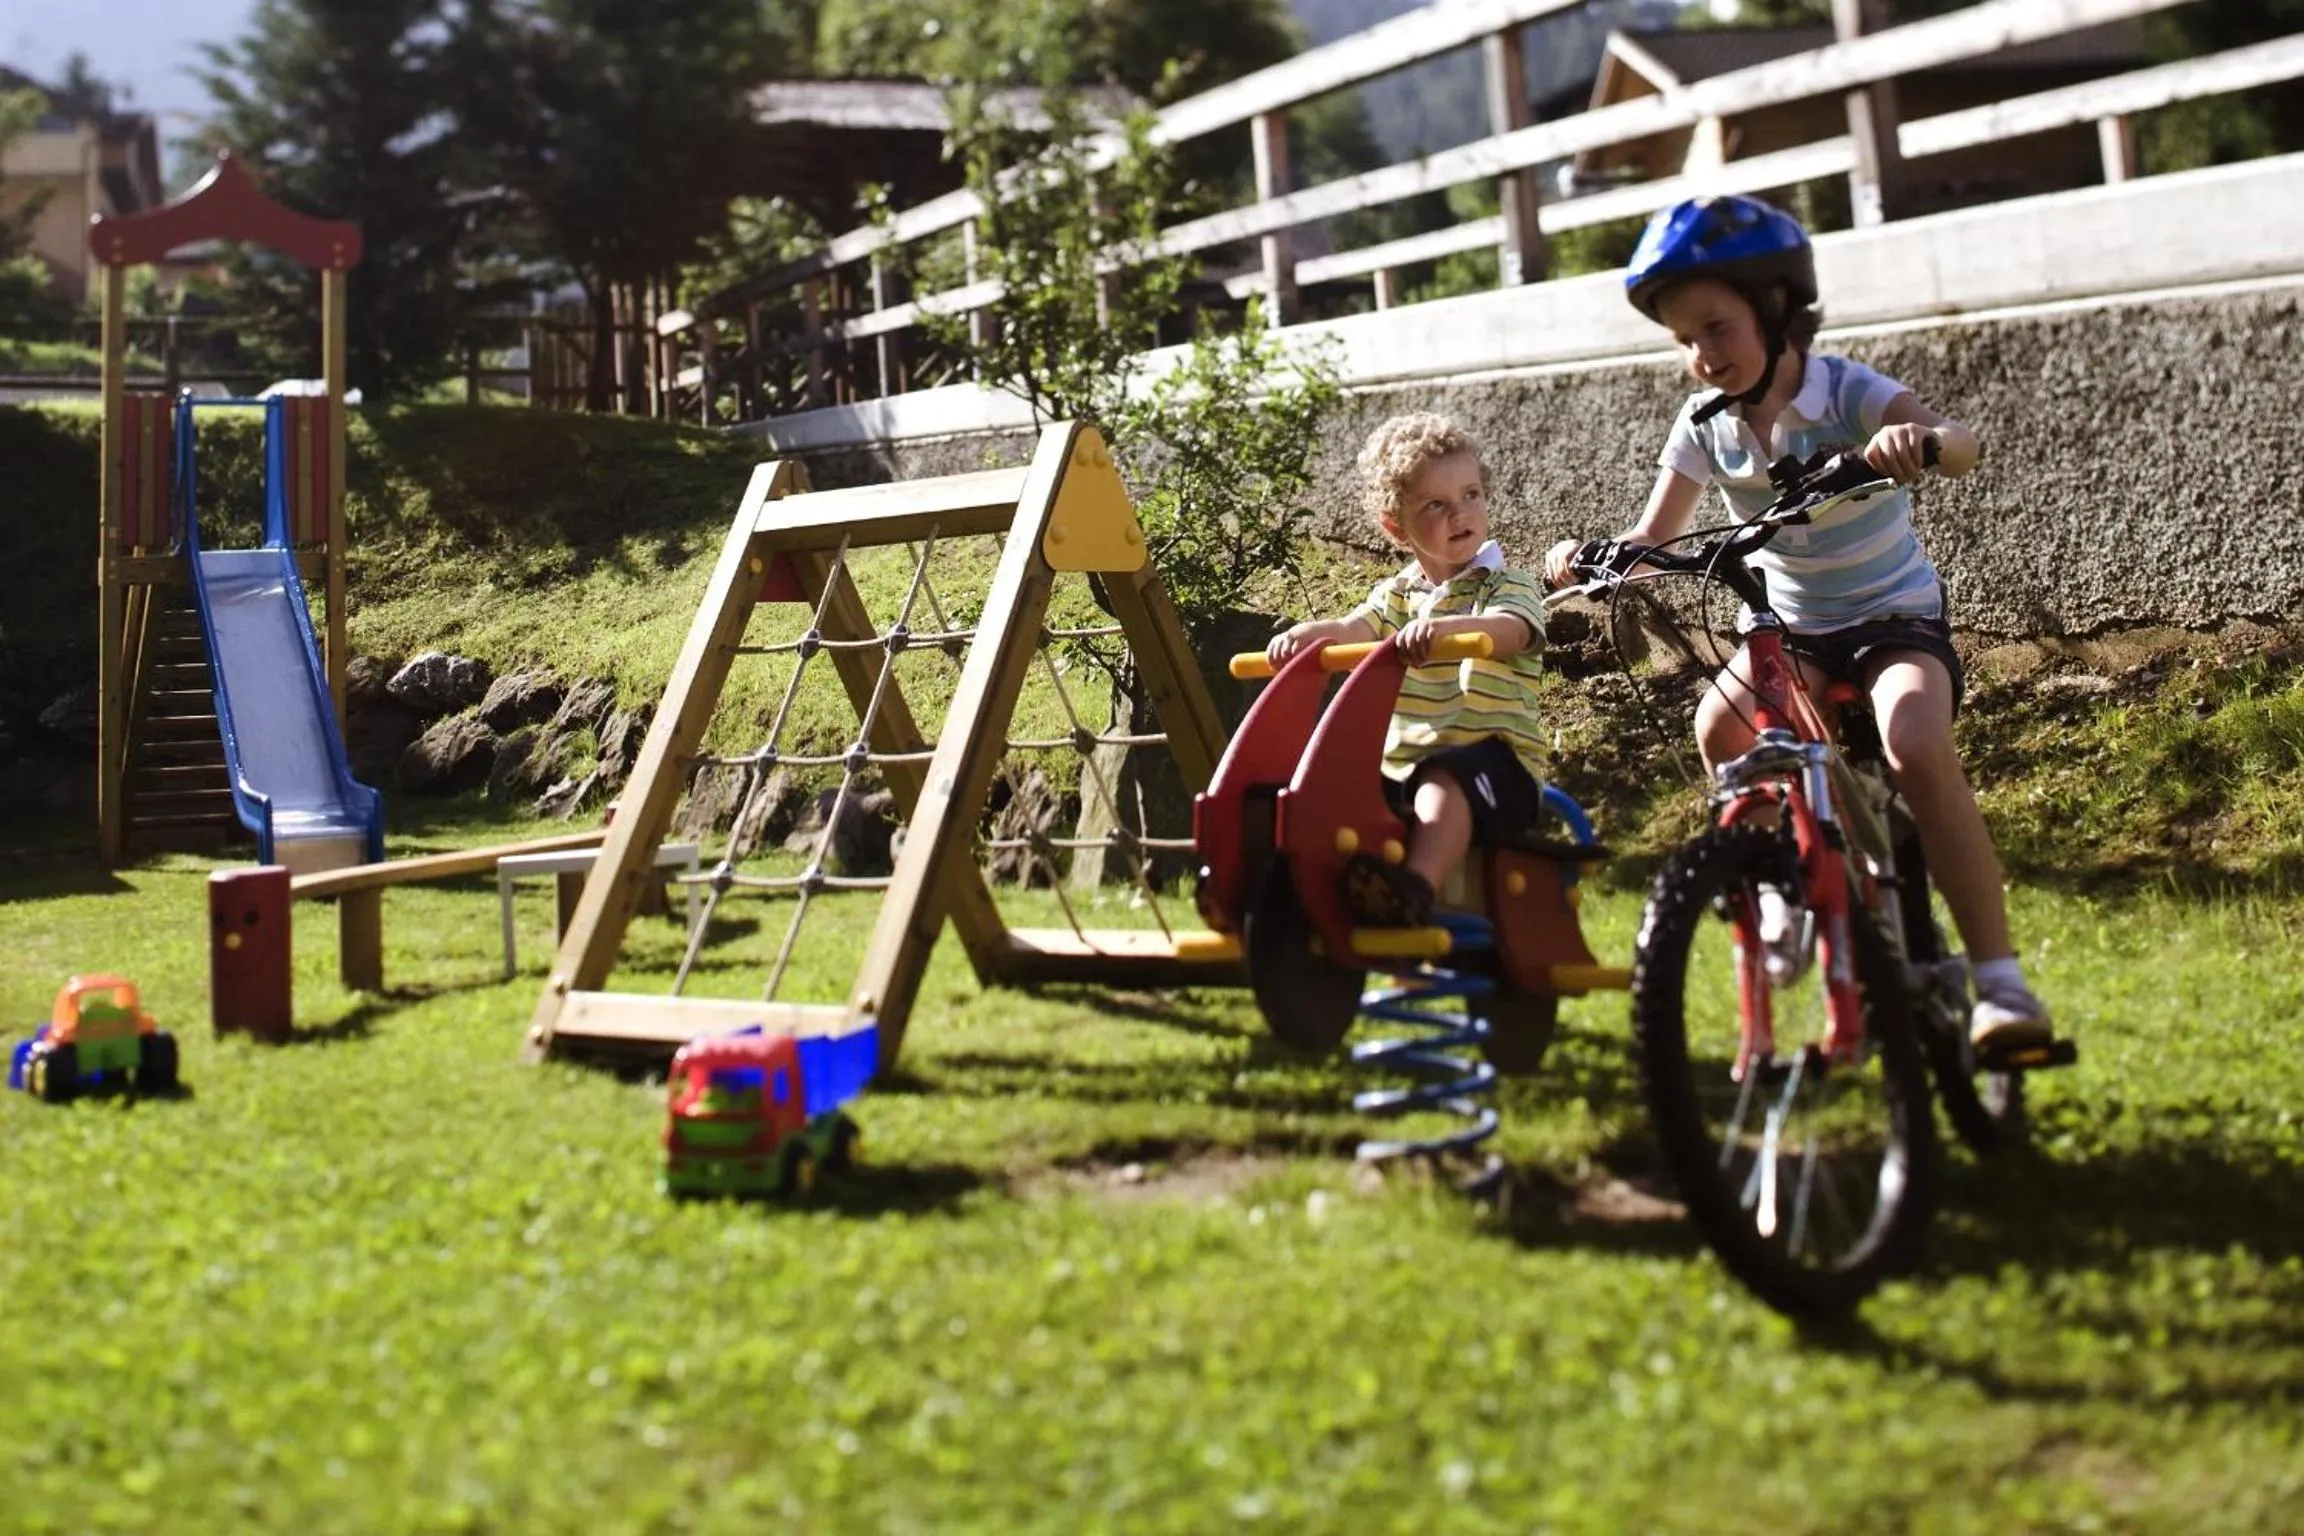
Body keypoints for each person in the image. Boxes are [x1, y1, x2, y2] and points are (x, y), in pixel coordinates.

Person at [1541, 194, 2053, 1053]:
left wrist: (1915, 443)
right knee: (1721, 730)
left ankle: (2000, 980)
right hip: (1793, 629)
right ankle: (1776, 884)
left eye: (1717, 328)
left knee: (1915, 742)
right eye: (1684, 341)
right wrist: (1591, 555)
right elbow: (1653, 533)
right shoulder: (1703, 426)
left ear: (1777, 308)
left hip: (1894, 619)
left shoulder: (1846, 389)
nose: (1703, 355)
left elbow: (1957, 441)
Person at [1267, 413, 1548, 926]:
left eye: (1471, 495)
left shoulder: (1505, 584)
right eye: (1435, 505)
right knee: (1331, 785)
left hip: (1496, 763)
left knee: (1444, 781)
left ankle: (1414, 890)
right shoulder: (1396, 596)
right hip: (1404, 762)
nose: (1459, 513)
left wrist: (1446, 632)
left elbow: (1511, 630)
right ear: (1396, 527)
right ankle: (1306, 899)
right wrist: (1310, 636)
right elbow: (1355, 629)